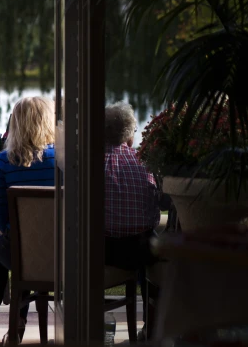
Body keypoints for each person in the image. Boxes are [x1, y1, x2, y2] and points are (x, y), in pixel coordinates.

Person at [0, 97, 56, 346]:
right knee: (18, 244)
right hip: (63, 255)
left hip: (22, 255)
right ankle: (17, 325)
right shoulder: (64, 159)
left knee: (4, 245)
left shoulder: (4, 161)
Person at [104, 102, 159, 338]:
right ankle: (152, 324)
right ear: (128, 135)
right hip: (135, 252)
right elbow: (152, 217)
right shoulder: (143, 163)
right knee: (153, 244)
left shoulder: (86, 163)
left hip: (99, 251)